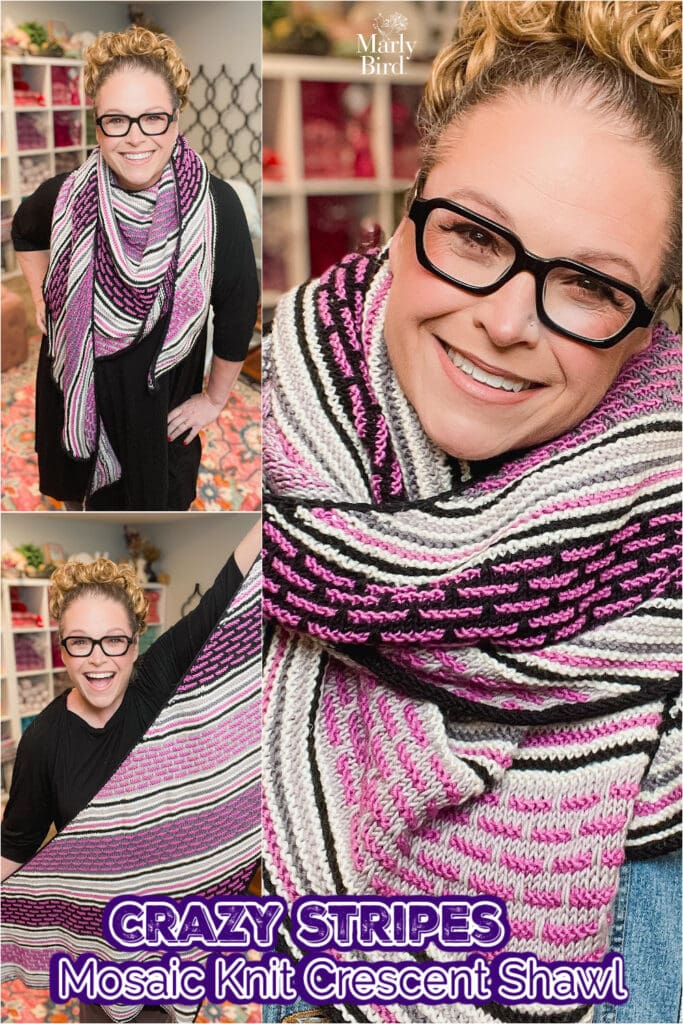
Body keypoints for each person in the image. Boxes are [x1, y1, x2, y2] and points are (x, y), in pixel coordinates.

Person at [260, 3, 681, 1023]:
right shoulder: (244, 468)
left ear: (644, 328)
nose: (501, 322)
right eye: (473, 233)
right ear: (406, 214)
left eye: (585, 284)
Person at [1, 520, 261, 1022]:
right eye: (80, 642)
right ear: (61, 647)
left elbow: (231, 584)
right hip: (101, 948)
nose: (98, 660)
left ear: (136, 642)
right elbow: (15, 848)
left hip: (177, 938)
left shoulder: (157, 685)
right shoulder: (43, 741)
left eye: (113, 641)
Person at [11, 26, 258, 511]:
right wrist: (43, 295)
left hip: (156, 415)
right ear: (96, 124)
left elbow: (236, 313)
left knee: (156, 504)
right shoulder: (63, 195)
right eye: (116, 121)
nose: (135, 138)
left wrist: (214, 400)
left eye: (152, 119)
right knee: (82, 505)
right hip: (74, 393)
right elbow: (25, 231)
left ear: (177, 117)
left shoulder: (216, 208)